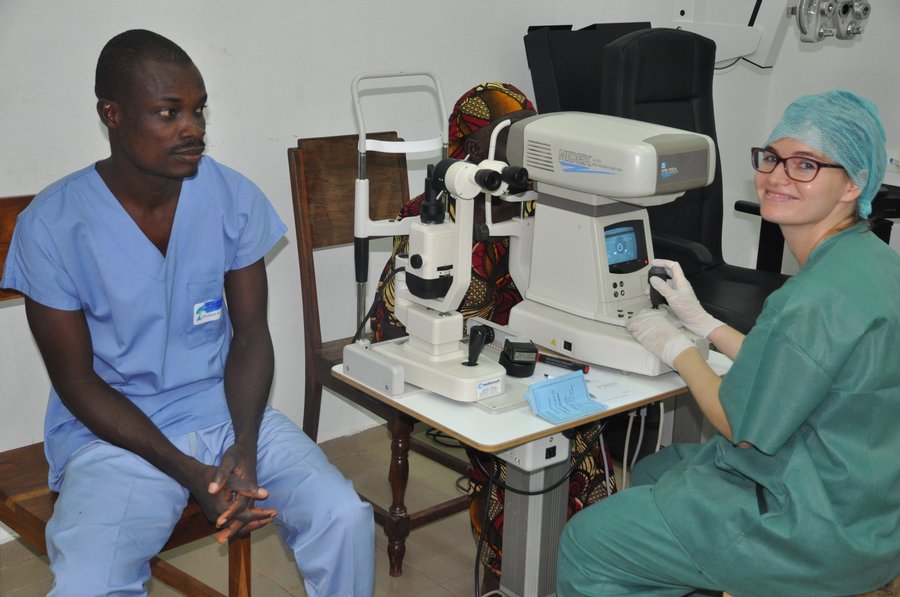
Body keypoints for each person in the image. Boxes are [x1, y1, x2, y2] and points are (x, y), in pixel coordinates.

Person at [0, 30, 374, 596]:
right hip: (118, 436)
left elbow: (250, 337)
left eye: (198, 110)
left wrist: (243, 446)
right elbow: (76, 382)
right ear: (112, 114)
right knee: (88, 582)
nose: (193, 128)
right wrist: (187, 471)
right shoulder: (52, 226)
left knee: (344, 519)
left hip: (227, 414)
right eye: (168, 112)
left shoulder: (230, 197)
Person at [557, 89, 900, 596]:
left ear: (853, 183)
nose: (777, 176)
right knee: (656, 469)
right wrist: (704, 324)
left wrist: (679, 351)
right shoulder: (875, 264)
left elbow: (739, 424)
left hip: (802, 528)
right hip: (869, 515)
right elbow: (799, 370)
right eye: (772, 157)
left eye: (806, 164)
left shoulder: (811, 300)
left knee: (589, 543)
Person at [369, 82, 618, 586]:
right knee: (518, 448)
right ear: (473, 149)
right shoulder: (430, 213)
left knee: (581, 429)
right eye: (512, 136)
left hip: (518, 353)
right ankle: (508, 572)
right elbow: (397, 321)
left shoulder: (535, 204)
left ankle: (581, 566)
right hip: (435, 353)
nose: (526, 149)